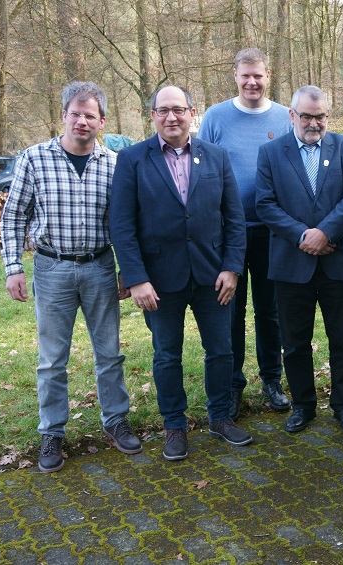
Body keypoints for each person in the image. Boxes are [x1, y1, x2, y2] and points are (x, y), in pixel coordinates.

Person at [1, 81, 141, 473]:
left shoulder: (115, 164)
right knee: (52, 360)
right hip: (51, 269)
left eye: (90, 115)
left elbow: (125, 225)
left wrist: (128, 272)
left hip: (99, 268)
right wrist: (13, 268)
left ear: (102, 121)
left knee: (109, 354)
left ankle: (116, 420)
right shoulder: (34, 159)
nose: (82, 121)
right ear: (63, 115)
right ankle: (52, 433)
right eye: (75, 113)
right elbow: (13, 217)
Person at [111, 85, 251, 461]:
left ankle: (220, 418)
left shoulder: (217, 156)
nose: (171, 117)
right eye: (163, 110)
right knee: (167, 355)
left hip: (213, 276)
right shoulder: (132, 160)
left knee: (221, 351)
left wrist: (232, 268)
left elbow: (234, 218)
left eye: (178, 109)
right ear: (152, 115)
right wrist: (136, 277)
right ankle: (174, 426)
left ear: (193, 112)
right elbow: (121, 225)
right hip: (158, 280)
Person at [255, 85, 343, 434]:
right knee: (295, 341)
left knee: (342, 339)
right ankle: (303, 405)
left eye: (320, 116)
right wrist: (305, 236)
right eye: (306, 116)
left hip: (337, 262)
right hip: (291, 264)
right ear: (292, 116)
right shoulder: (272, 152)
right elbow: (265, 204)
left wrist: (325, 233)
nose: (313, 123)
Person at [197, 48, 291, 419]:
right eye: (245, 75)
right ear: (234, 75)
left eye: (259, 75)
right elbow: (201, 170)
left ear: (269, 76)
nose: (252, 82)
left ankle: (272, 380)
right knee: (230, 311)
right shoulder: (216, 117)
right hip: (226, 234)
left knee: (271, 312)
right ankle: (233, 385)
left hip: (273, 232)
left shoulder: (286, 116)